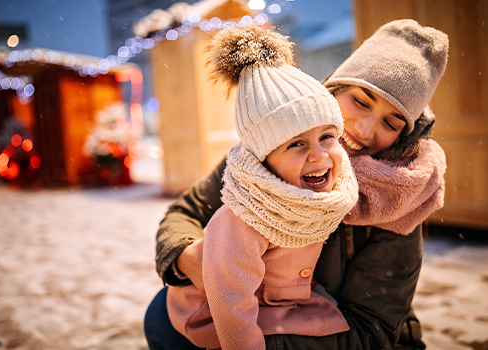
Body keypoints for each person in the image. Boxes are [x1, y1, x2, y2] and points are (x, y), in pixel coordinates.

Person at [145, 19, 449, 350]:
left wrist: (254, 341)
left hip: (342, 337)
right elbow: (185, 213)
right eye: (361, 102)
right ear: (334, 90)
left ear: (402, 136)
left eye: (391, 123)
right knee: (163, 315)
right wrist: (188, 256)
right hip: (271, 314)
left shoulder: (400, 200)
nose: (364, 129)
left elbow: (369, 331)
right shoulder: (263, 156)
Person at [165, 23, 359, 350]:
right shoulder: (244, 218)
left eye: (327, 136)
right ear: (264, 160)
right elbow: (232, 307)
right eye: (296, 144)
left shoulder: (333, 195)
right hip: (218, 313)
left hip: (284, 301)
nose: (318, 155)